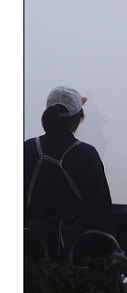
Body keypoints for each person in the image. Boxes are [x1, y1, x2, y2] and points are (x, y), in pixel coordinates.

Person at [24, 86, 115, 262]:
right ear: (78, 118)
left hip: (32, 247)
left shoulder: (27, 149)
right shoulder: (87, 154)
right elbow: (100, 211)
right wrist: (106, 248)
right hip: (76, 250)